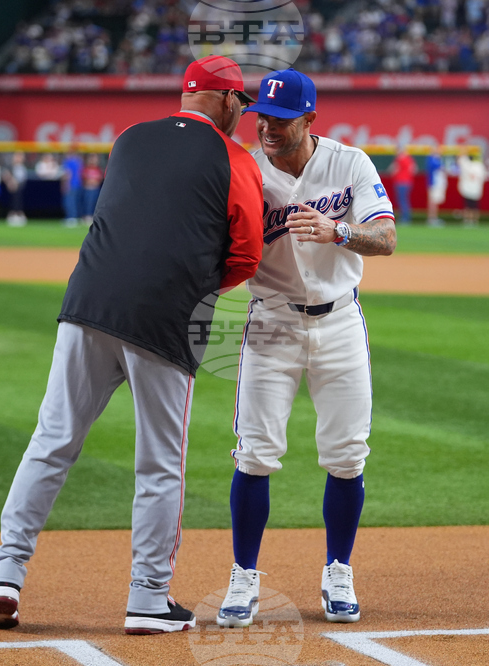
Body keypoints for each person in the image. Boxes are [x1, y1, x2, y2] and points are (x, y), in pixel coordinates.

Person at [0, 55, 262, 635]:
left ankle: (5, 575)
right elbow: (246, 254)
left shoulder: (129, 139)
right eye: (242, 103)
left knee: (51, 440)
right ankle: (148, 598)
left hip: (88, 299)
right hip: (164, 316)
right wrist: (195, 282)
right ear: (230, 101)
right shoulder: (236, 158)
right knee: (160, 465)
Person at [215, 68, 396, 629]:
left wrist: (338, 231)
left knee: (347, 454)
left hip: (340, 320)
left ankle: (338, 570)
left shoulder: (350, 163)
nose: (267, 126)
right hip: (270, 321)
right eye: (261, 117)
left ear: (310, 119)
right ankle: (244, 578)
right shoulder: (245, 167)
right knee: (255, 452)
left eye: (280, 119)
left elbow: (387, 238)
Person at [457, 148, 485, 226]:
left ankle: (469, 220)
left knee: (470, 206)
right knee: (472, 206)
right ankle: (472, 220)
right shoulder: (479, 166)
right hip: (472, 189)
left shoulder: (474, 165)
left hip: (471, 189)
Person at [389, 148, 415, 224]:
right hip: (408, 182)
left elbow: (393, 169)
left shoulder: (399, 159)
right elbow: (413, 169)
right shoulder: (409, 159)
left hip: (400, 182)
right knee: (405, 200)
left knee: (402, 200)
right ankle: (406, 217)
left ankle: (405, 218)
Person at [4, 152, 29, 227]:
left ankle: (19, 215)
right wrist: (10, 182)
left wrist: (18, 183)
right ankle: (13, 215)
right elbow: (5, 174)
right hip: (12, 187)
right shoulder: (10, 166)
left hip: (20, 187)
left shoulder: (22, 167)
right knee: (13, 201)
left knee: (19, 200)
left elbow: (23, 177)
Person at [80, 153, 104, 225]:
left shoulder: (98, 169)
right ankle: (86, 216)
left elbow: (99, 178)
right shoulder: (86, 169)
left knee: (95, 203)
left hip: (95, 188)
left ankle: (94, 216)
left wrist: (94, 182)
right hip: (88, 188)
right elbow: (84, 178)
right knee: (87, 203)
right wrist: (91, 181)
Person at [425, 147, 445, 226]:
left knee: (434, 201)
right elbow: (437, 167)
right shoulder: (432, 160)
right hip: (433, 184)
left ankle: (433, 218)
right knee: (432, 202)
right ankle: (432, 218)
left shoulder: (436, 160)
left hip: (436, 184)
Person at [61, 151, 82, 227]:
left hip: (71, 184)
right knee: (75, 201)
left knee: (69, 202)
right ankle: (75, 217)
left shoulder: (68, 162)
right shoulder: (78, 161)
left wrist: (66, 184)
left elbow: (68, 173)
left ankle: (71, 218)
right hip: (78, 184)